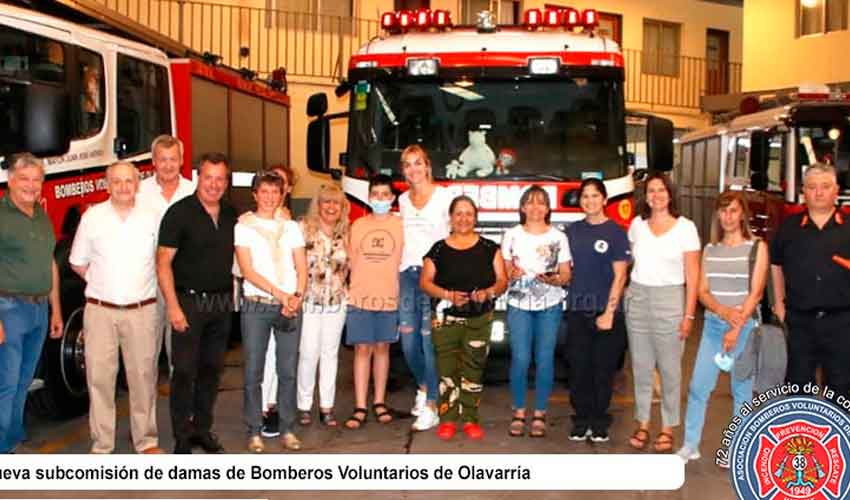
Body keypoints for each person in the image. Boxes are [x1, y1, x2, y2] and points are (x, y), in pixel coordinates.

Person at [69, 162, 163, 454]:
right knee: (99, 379)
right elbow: (77, 262)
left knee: (144, 378)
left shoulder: (154, 218)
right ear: (107, 185)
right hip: (100, 311)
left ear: (138, 183)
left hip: (143, 310)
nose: (124, 186)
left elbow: (163, 262)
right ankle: (102, 444)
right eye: (117, 181)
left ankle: (146, 441)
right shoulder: (92, 218)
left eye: (129, 181)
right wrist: (104, 284)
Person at [677, 190, 768, 463]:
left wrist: (736, 327)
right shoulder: (710, 250)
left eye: (734, 211)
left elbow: (757, 293)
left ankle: (738, 450)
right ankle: (690, 445)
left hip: (745, 328)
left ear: (743, 215)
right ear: (718, 214)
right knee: (698, 387)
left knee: (741, 390)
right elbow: (703, 291)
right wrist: (723, 312)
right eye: (724, 210)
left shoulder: (757, 247)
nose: (728, 217)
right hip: (714, 326)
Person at [157, 152, 237, 454]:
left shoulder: (231, 213)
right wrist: (173, 307)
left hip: (220, 304)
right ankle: (182, 436)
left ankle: (202, 429)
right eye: (208, 177)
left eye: (220, 179)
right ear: (197, 177)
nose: (214, 184)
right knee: (185, 372)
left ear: (226, 182)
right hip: (188, 303)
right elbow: (163, 262)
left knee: (211, 370)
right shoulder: (179, 213)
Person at [420, 195, 508, 441]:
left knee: (474, 370)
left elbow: (502, 281)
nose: (463, 218)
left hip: (479, 319)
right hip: (445, 319)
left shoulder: (491, 248)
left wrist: (488, 293)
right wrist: (447, 294)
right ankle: (447, 419)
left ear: (475, 218)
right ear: (450, 218)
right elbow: (425, 283)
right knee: (446, 371)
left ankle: (470, 418)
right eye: (458, 213)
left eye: (468, 213)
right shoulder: (438, 249)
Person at [625, 173, 701, 453]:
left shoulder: (686, 228)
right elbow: (629, 263)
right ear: (645, 196)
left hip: (671, 300)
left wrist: (689, 315)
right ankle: (643, 422)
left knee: (670, 370)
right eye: (651, 190)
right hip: (638, 297)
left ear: (671, 194)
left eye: (661, 190)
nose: (656, 195)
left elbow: (693, 277)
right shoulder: (637, 226)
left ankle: (668, 427)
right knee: (641, 367)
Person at [235, 172, 306, 453]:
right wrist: (281, 295)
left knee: (287, 369)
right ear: (255, 194)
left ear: (282, 195)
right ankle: (254, 430)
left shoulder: (290, 228)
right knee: (254, 370)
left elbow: (301, 267)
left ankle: (287, 428)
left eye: (275, 192)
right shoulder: (243, 227)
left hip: (289, 307)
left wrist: (297, 296)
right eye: (263, 191)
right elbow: (248, 270)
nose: (269, 197)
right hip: (257, 305)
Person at [0, 153, 63, 454]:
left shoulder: (39, 214)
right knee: (6, 384)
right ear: (10, 180)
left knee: (23, 382)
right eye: (24, 179)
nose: (31, 186)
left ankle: (12, 441)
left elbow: (49, 262)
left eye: (37, 180)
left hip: (38, 311)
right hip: (8, 310)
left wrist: (56, 311)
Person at [772, 163, 850, 401]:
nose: (819, 192)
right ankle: (802, 437)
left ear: (836, 190)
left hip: (842, 322)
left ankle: (839, 437)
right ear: (803, 191)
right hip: (800, 322)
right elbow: (776, 265)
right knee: (797, 388)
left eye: (825, 187)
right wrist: (779, 303)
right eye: (812, 187)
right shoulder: (789, 228)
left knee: (841, 388)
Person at [563, 179, 630, 442]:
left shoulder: (616, 232)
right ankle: (581, 420)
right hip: (578, 310)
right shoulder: (572, 232)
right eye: (585, 196)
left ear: (604, 200)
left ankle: (599, 421)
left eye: (595, 195)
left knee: (603, 370)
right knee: (578, 368)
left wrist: (609, 313)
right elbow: (564, 269)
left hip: (606, 311)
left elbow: (621, 276)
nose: (589, 200)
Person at [501, 185, 571, 438]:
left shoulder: (559, 237)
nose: (535, 207)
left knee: (544, 359)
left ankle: (540, 412)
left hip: (550, 305)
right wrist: (512, 274)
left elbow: (566, 274)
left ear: (548, 208)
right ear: (522, 208)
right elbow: (503, 272)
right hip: (519, 305)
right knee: (520, 358)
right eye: (529, 202)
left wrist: (556, 279)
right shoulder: (511, 235)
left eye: (541, 202)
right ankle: (519, 411)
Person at [397, 145, 452, 432]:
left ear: (428, 166)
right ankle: (422, 386)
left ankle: (432, 405)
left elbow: (453, 239)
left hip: (435, 278)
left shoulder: (445, 197)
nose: (413, 169)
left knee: (430, 344)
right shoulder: (403, 201)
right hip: (407, 276)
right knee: (408, 342)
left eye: (418, 163)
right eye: (407, 164)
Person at [344, 175, 404, 429]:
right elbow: (346, 262)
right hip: (360, 297)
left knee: (382, 349)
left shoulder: (402, 226)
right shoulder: (357, 226)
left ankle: (379, 401)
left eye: (384, 194)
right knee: (362, 350)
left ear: (392, 198)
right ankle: (360, 405)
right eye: (375, 194)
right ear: (369, 197)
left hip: (388, 297)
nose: (380, 199)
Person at [138, 135, 195, 375]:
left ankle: (181, 404)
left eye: (173, 159)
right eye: (163, 160)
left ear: (181, 160)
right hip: (146, 280)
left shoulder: (194, 191)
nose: (168, 165)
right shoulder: (138, 192)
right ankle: (144, 407)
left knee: (181, 348)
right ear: (153, 161)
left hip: (182, 279)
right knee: (145, 349)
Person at [296, 184, 350, 427]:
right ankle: (304, 405)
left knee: (330, 355)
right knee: (308, 353)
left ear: (342, 208)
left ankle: (326, 407)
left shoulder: (346, 234)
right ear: (317, 205)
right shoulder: (303, 230)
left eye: (335, 203)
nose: (331, 207)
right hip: (309, 302)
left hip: (337, 302)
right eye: (326, 202)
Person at [258, 163, 296, 437]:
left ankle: (274, 407)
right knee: (262, 356)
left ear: (287, 190)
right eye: (267, 187)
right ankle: (263, 407)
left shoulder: (291, 224)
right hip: (260, 299)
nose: (273, 192)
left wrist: (293, 297)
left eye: (279, 185)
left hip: (287, 301)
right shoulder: (250, 221)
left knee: (280, 358)